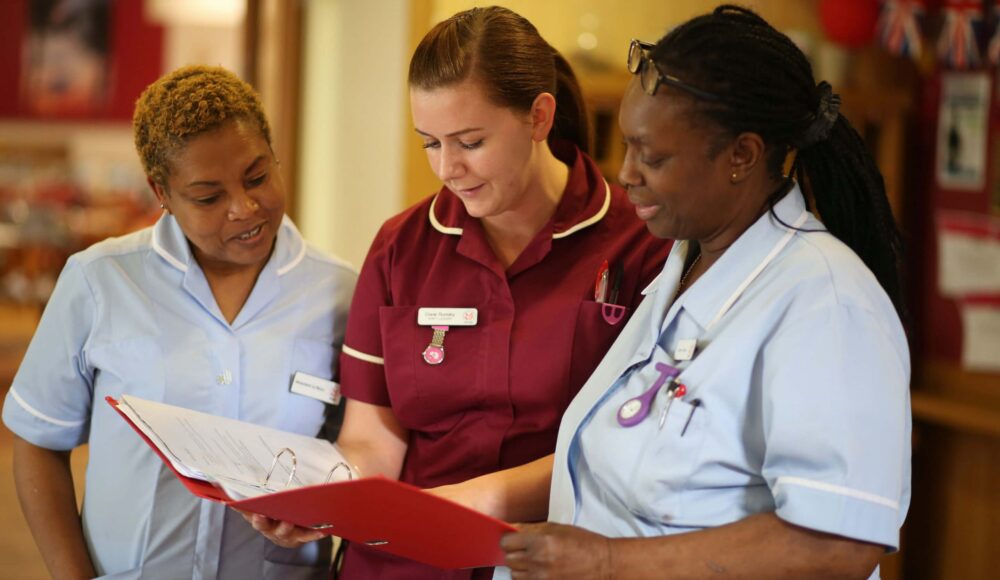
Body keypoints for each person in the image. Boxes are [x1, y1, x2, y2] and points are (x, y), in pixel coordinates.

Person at [450, 6, 910, 579]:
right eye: (625, 146)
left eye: (653, 156)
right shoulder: (683, 267)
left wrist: (610, 562)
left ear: (741, 156)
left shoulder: (828, 301)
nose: (625, 173)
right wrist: (451, 507)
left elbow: (838, 543)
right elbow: (610, 457)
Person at [247, 6, 670, 579]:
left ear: (539, 116)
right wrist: (321, 503)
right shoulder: (402, 248)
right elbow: (372, 441)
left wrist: (458, 507)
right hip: (402, 559)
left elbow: (628, 446)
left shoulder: (642, 247)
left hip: (550, 559)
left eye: (470, 141)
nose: (448, 168)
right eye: (430, 143)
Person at [2, 65, 357, 579]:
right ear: (161, 192)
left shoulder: (339, 293)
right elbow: (39, 439)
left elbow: (363, 452)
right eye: (208, 197)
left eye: (257, 175)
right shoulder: (101, 282)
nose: (244, 207)